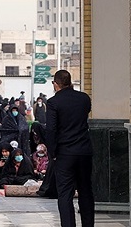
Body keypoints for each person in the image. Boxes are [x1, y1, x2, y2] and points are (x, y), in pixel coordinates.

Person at [45, 69, 94, 227]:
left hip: (65, 153)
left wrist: (52, 153)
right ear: (70, 82)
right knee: (86, 191)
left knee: (65, 194)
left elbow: (51, 130)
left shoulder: (53, 102)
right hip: (84, 151)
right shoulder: (84, 99)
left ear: (55, 84)